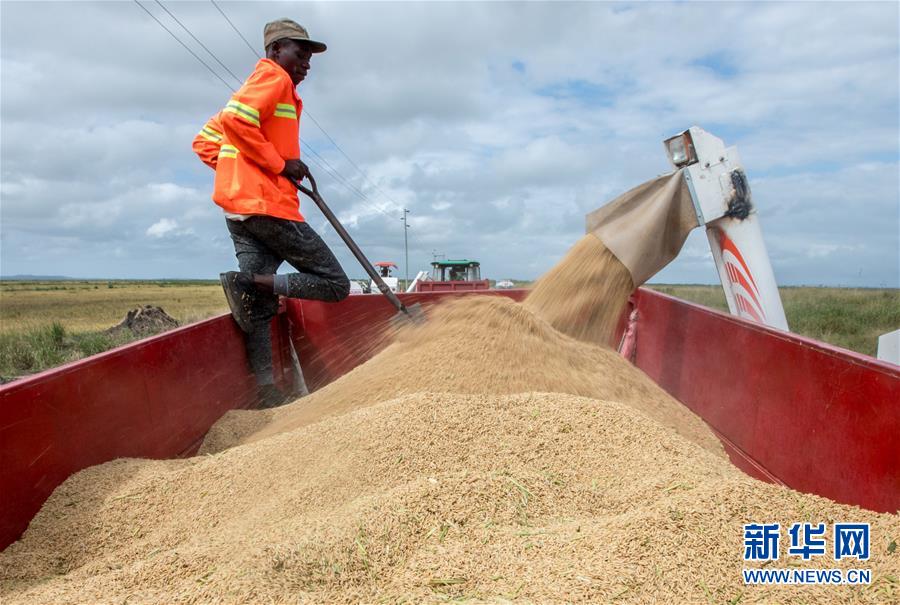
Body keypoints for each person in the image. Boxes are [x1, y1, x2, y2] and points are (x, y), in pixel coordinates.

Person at [192, 18, 350, 407]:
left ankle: (265, 390)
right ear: (277, 50)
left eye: (310, 57)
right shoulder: (272, 78)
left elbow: (205, 141)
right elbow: (235, 121)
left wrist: (241, 171)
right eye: (302, 52)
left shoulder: (256, 88)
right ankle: (249, 283)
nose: (308, 63)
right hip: (267, 206)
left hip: (238, 211)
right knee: (335, 284)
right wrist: (280, 165)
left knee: (259, 308)